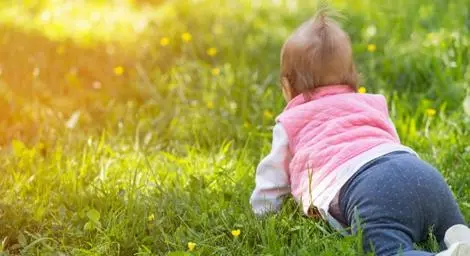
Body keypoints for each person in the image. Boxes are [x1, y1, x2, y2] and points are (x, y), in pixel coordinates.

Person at [249, 11, 470, 256]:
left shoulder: (290, 121)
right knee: (450, 226)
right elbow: (388, 140)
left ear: (288, 86)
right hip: (421, 173)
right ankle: (458, 238)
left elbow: (271, 181)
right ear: (353, 74)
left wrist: (263, 214)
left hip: (369, 189)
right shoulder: (370, 102)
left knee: (387, 249)